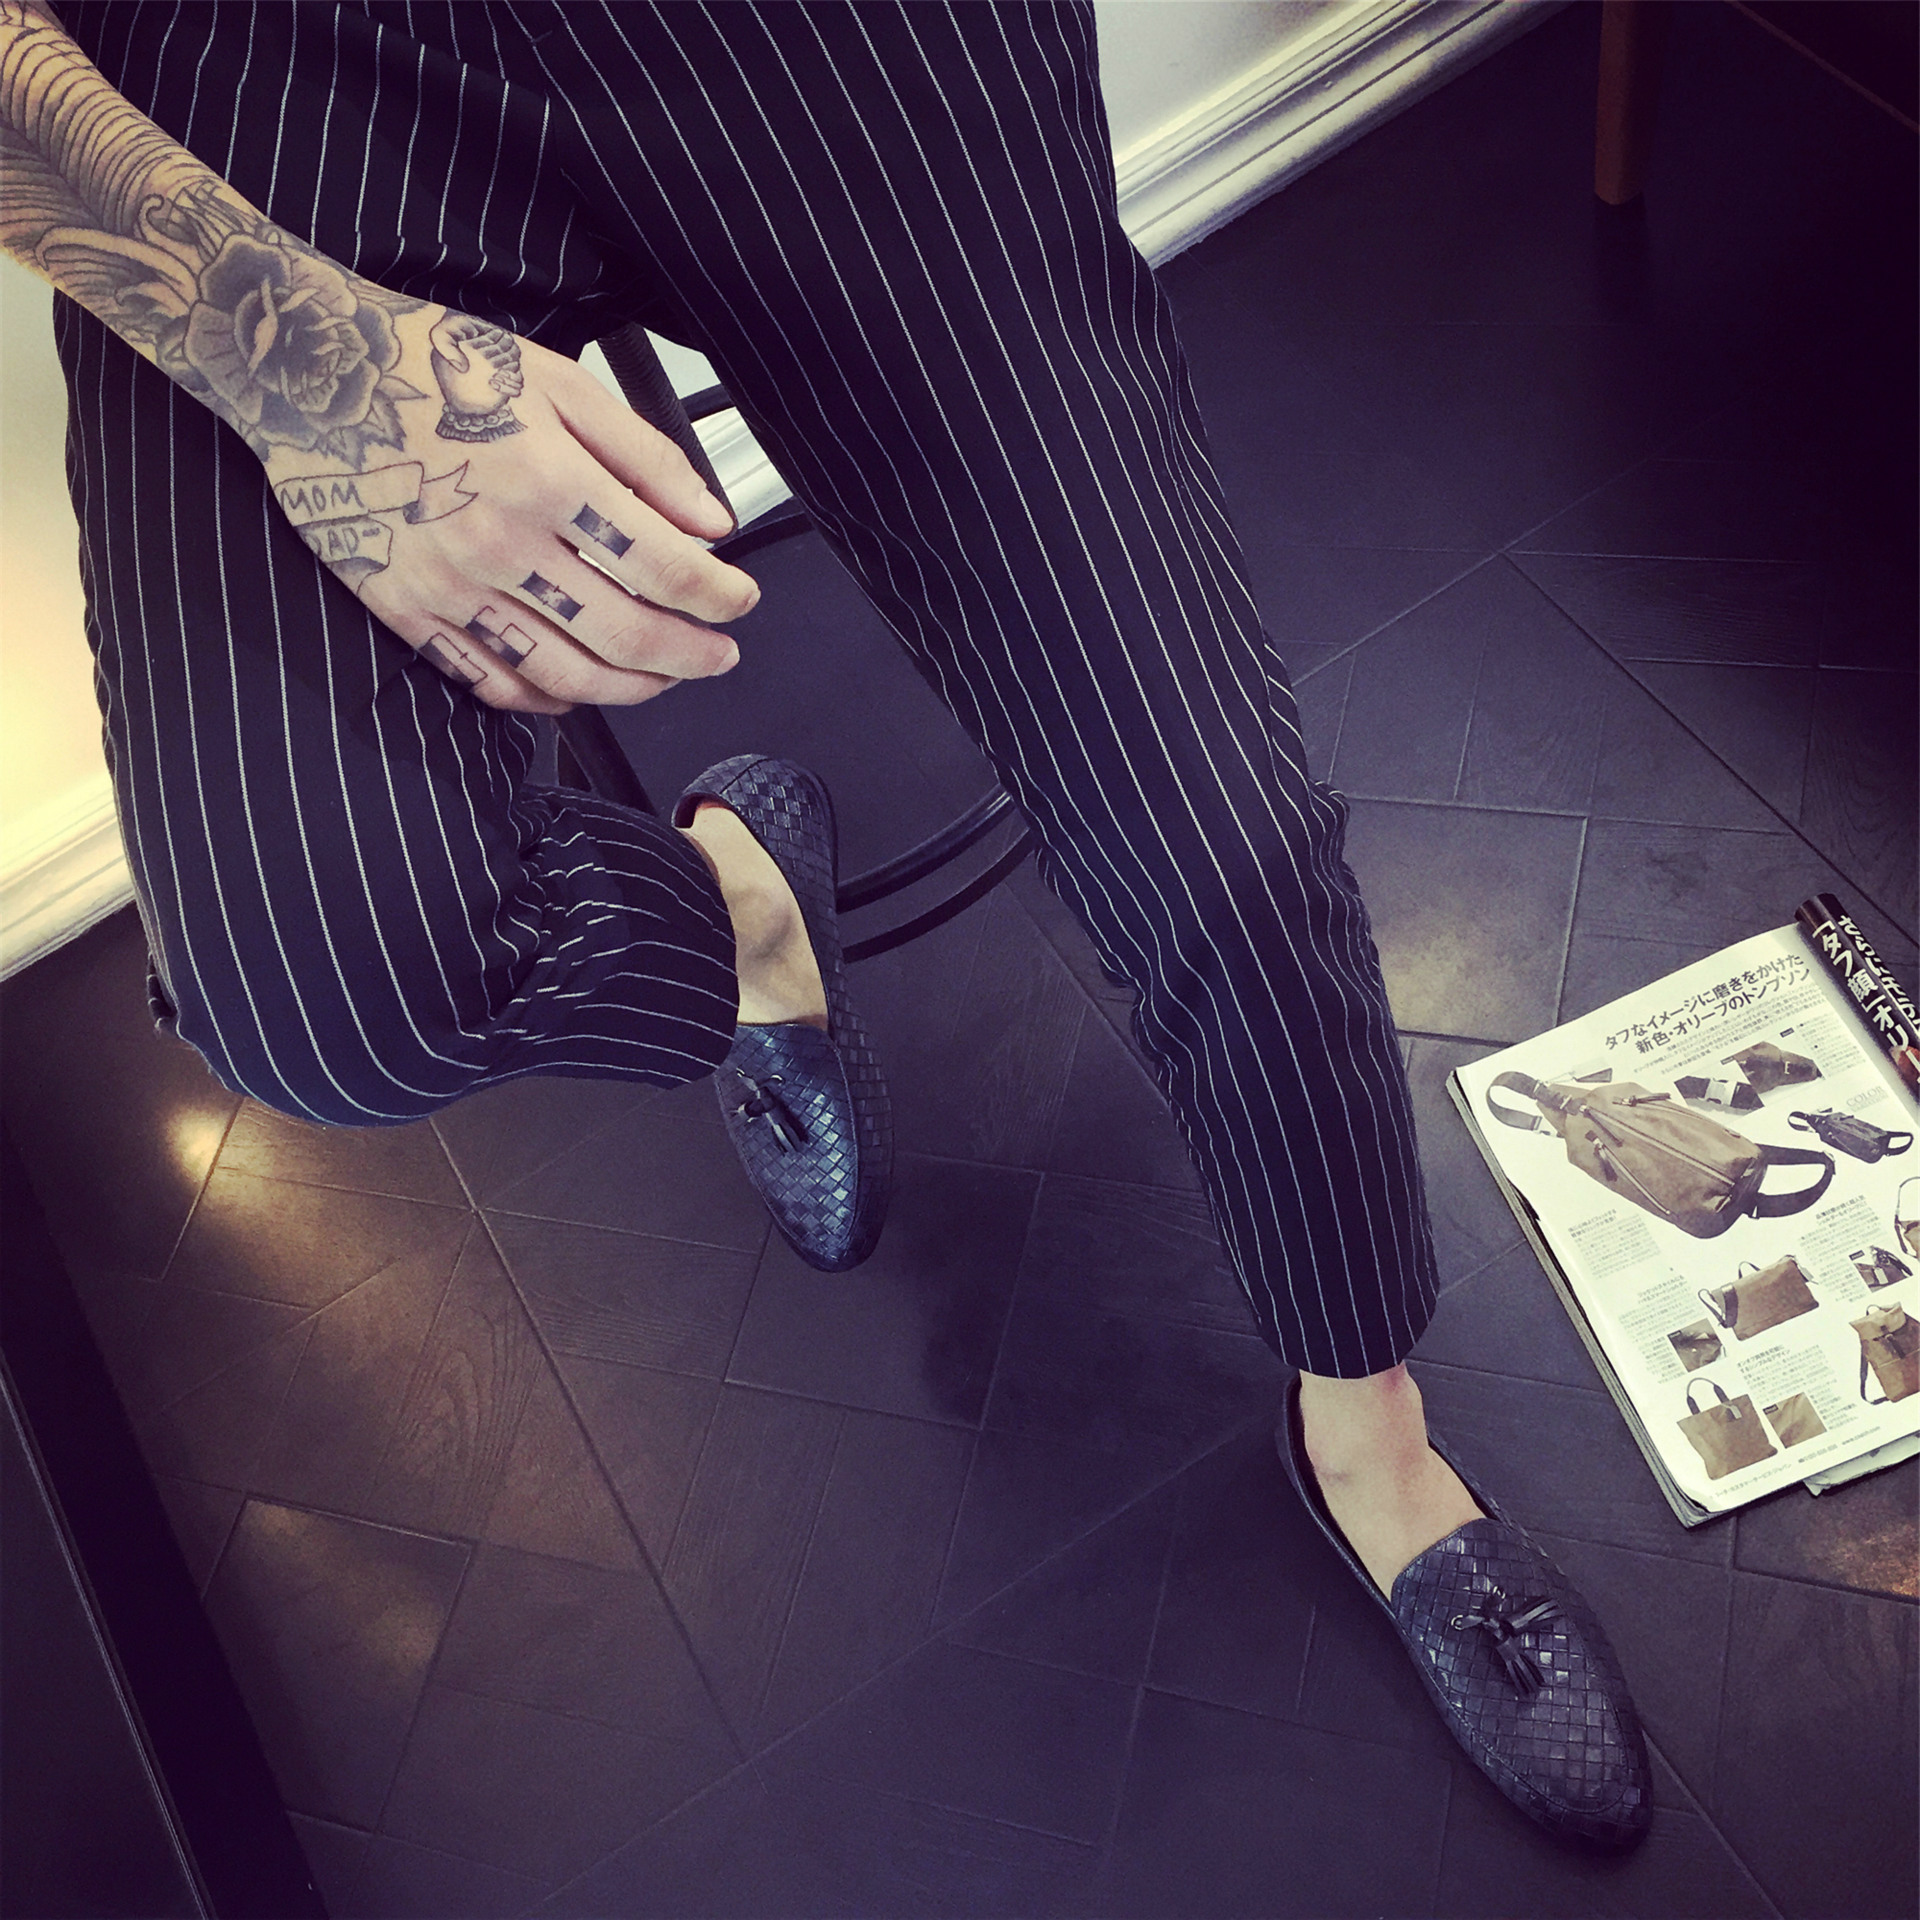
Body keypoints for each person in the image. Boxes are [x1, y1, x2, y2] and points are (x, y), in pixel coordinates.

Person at [0, 0, 1650, 1847]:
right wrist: (289, 352)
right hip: (255, 71)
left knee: (1232, 852)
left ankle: (1373, 1434)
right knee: (322, 988)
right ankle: (753, 913)